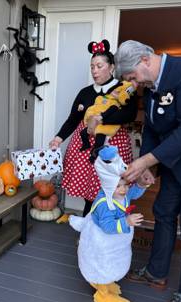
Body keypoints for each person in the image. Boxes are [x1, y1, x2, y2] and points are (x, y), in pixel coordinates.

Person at [113, 40, 181, 302]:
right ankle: (156, 272)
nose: (133, 83)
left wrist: (145, 161)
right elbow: (152, 129)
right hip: (172, 166)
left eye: (132, 76)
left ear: (146, 60)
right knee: (163, 213)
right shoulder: (150, 87)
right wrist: (151, 166)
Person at [49, 39, 137, 217]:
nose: (94, 71)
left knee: (111, 190)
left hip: (112, 146)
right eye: (92, 67)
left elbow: (130, 114)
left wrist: (101, 119)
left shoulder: (123, 89)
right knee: (89, 193)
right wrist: (58, 138)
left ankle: (109, 228)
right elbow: (73, 119)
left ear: (111, 67)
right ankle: (88, 230)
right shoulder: (85, 92)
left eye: (99, 66)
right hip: (86, 149)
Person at [67, 146, 147, 302]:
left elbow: (133, 194)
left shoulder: (121, 194)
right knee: (103, 264)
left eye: (125, 184)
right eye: (119, 186)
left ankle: (107, 282)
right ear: (109, 186)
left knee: (114, 261)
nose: (124, 189)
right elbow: (107, 226)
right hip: (102, 243)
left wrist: (140, 183)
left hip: (116, 243)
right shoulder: (105, 204)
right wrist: (126, 221)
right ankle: (103, 294)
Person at [79, 80, 136, 163]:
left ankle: (94, 155)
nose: (114, 92)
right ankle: (86, 144)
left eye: (117, 92)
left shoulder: (115, 104)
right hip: (92, 123)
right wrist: (84, 107)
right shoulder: (102, 98)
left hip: (103, 128)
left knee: (99, 142)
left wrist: (101, 117)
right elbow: (94, 105)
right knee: (83, 133)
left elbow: (113, 109)